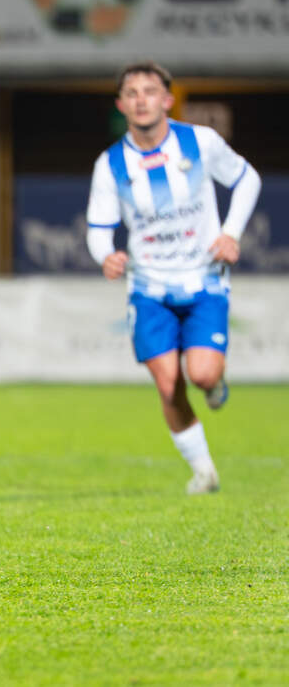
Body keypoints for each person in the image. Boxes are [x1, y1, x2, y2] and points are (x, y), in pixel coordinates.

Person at [86, 60, 261, 495]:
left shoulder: (199, 142)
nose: (141, 100)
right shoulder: (111, 164)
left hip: (204, 281)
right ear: (120, 105)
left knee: (201, 375)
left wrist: (231, 233)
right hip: (148, 288)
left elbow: (247, 180)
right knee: (168, 385)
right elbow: (98, 229)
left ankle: (215, 382)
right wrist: (106, 256)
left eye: (150, 92)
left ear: (167, 100)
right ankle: (204, 472)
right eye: (132, 93)